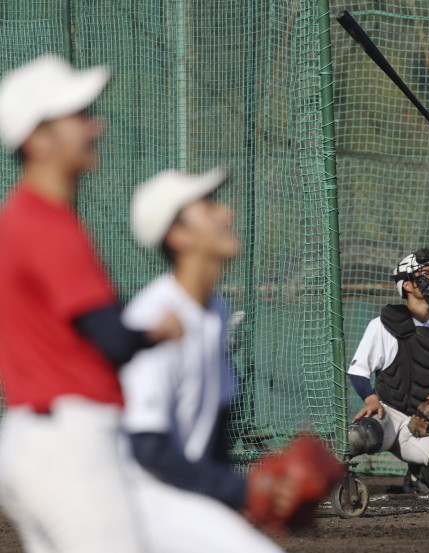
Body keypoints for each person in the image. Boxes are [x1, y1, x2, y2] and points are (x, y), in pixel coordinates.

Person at [0, 55, 181, 552]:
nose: (94, 124)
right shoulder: (46, 225)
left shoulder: (21, 217)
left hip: (37, 438)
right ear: (37, 140)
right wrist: (158, 332)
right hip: (69, 444)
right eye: (77, 115)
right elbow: (112, 338)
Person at [121, 168, 307, 552]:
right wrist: (246, 489)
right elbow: (147, 450)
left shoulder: (215, 311)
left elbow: (216, 436)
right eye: (207, 206)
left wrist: (230, 501)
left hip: (181, 504)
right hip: (137, 512)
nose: (226, 214)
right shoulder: (155, 317)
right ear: (178, 236)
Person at [346, 248, 429, 494]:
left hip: (423, 422)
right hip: (387, 413)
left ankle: (418, 475)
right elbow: (358, 370)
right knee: (361, 435)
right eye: (425, 273)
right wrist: (370, 398)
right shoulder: (385, 324)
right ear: (407, 285)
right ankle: (331, 476)